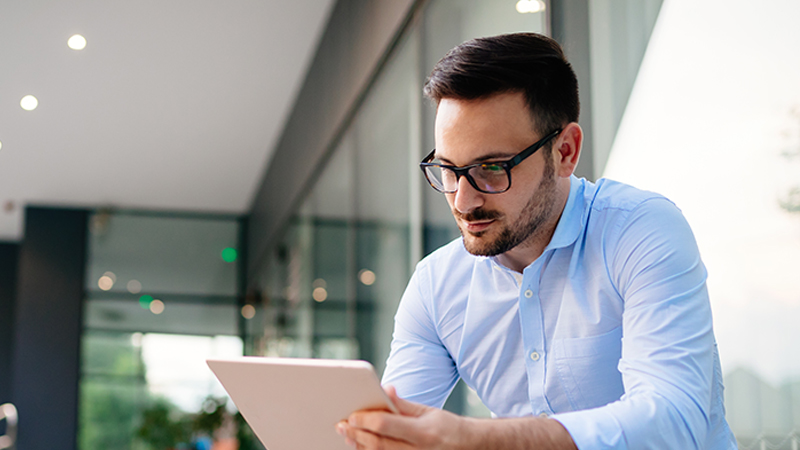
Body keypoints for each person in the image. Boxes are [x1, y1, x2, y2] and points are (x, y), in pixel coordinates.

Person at [336, 32, 737, 449]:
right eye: (449, 170)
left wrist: (478, 440)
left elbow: (673, 420)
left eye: (491, 168)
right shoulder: (437, 285)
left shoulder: (640, 230)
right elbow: (389, 432)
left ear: (565, 151)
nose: (464, 199)